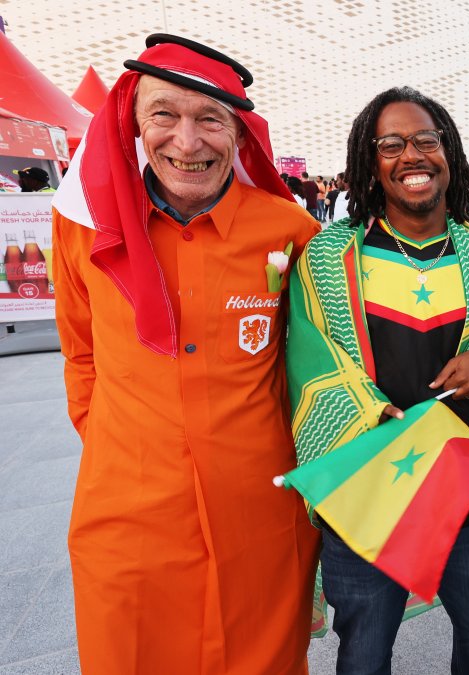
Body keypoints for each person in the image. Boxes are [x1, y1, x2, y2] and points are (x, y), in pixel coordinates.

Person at [50, 34, 321, 673]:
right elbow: (80, 351)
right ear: (134, 124)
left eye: (210, 120)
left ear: (239, 134)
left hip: (260, 517)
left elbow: (323, 361)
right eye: (164, 115)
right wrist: (122, 443)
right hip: (128, 520)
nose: (187, 140)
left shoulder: (291, 232)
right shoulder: (83, 228)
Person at [286, 85, 469, 675]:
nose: (413, 156)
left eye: (427, 140)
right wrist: (367, 411)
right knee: (365, 654)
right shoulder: (330, 256)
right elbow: (310, 355)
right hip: (369, 489)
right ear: (370, 164)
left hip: (466, 492)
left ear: (449, 153)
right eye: (392, 144)